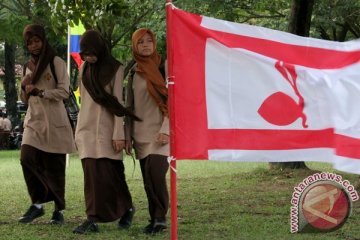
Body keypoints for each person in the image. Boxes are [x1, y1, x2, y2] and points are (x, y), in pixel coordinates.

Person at [73, 30, 139, 234]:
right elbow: (83, 99)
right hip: (86, 129)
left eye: (91, 52)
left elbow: (118, 102)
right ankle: (92, 218)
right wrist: (78, 130)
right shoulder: (84, 67)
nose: (88, 57)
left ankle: (127, 208)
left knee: (112, 175)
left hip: (108, 129)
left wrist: (118, 133)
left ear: (99, 49)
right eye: (85, 53)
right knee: (92, 177)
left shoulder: (116, 68)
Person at [19, 24, 76, 225]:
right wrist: (24, 85)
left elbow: (64, 91)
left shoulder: (56, 61)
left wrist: (42, 92)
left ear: (43, 40)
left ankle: (58, 210)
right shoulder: (28, 66)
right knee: (26, 157)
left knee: (55, 168)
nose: (34, 46)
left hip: (55, 121)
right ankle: (37, 204)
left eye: (37, 41)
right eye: (30, 42)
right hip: (34, 121)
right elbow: (24, 98)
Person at [125, 28, 169, 234]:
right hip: (140, 133)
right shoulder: (133, 71)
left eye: (149, 41)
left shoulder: (164, 66)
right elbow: (129, 107)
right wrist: (126, 136)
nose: (145, 45)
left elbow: (175, 100)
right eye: (140, 42)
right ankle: (154, 218)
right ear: (135, 45)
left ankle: (160, 217)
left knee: (156, 173)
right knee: (148, 180)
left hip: (162, 133)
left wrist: (166, 129)